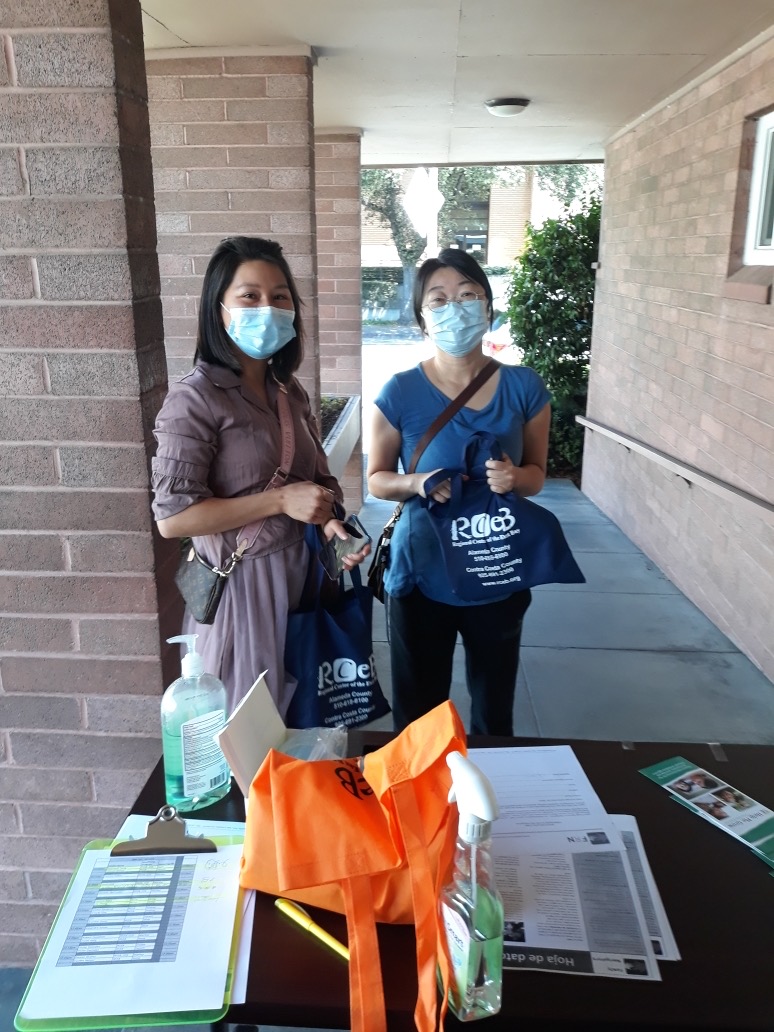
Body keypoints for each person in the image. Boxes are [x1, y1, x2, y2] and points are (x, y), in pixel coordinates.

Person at [151, 236, 368, 717]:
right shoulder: (195, 399)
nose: (267, 307)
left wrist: (332, 525)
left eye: (280, 296)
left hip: (306, 582)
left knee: (310, 726)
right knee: (255, 745)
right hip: (243, 594)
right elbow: (174, 518)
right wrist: (278, 502)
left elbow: (318, 481)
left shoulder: (289, 391)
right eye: (249, 295)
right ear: (218, 307)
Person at [367, 248, 551, 735]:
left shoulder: (524, 386)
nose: (456, 307)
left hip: (495, 565)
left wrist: (515, 479)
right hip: (421, 571)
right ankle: (421, 804)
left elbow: (537, 473)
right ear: (423, 318)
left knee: (494, 708)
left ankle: (491, 804)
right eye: (440, 299)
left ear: (488, 307)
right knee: (419, 716)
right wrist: (416, 483)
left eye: (469, 295)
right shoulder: (399, 392)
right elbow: (377, 479)